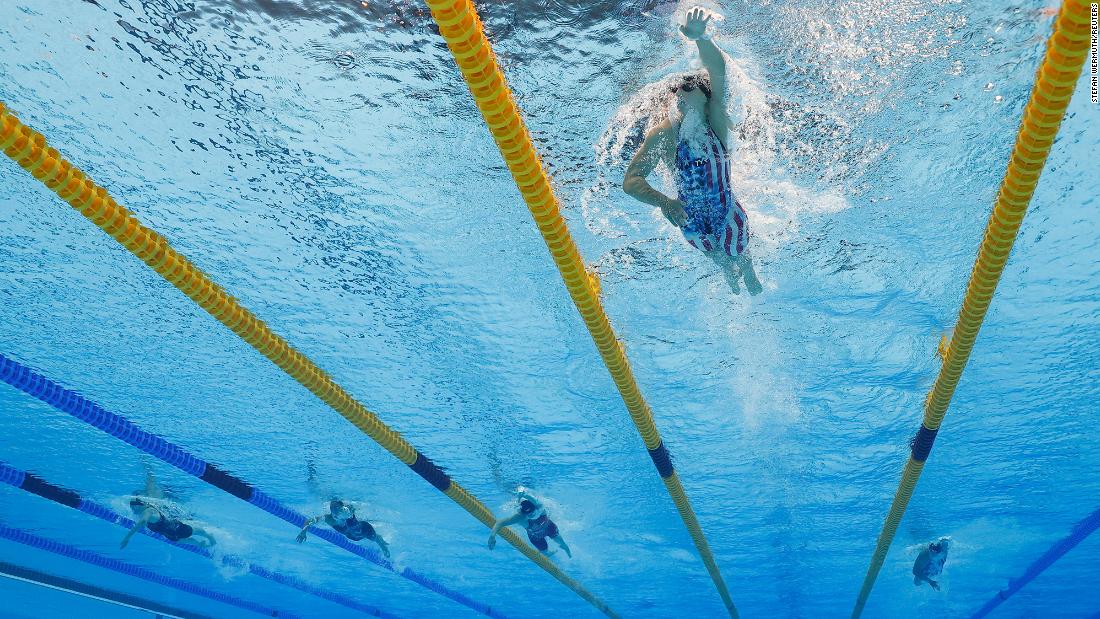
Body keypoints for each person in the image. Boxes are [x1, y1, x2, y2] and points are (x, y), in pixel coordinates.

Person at [622, 6, 762, 295]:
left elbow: (718, 70)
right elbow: (631, 181)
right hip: (690, 222)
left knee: (738, 251)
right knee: (718, 257)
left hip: (729, 215)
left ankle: (746, 267)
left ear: (706, 95)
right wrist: (664, 202)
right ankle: (727, 269)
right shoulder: (664, 134)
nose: (684, 84)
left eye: (694, 83)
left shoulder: (716, 120)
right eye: (681, 84)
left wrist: (700, 38)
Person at [121, 472, 215, 549]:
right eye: (131, 506)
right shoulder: (145, 511)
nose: (132, 509)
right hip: (171, 535)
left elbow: (143, 521)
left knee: (198, 531)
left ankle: (209, 536)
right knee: (187, 539)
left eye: (134, 506)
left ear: (141, 505)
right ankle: (201, 543)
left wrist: (127, 538)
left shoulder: (148, 511)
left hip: (178, 529)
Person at [487, 488, 571, 557]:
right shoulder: (520, 517)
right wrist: (492, 536)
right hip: (535, 537)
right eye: (528, 514)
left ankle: (566, 548)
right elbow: (500, 523)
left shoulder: (539, 507)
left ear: (535, 508)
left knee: (562, 543)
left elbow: (533, 500)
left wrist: (525, 494)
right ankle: (549, 553)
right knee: (545, 552)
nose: (530, 515)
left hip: (549, 527)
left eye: (532, 513)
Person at [297, 499, 390, 558]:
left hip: (364, 529)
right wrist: (303, 531)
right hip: (351, 535)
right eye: (332, 509)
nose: (334, 512)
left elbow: (351, 509)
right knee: (352, 530)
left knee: (373, 538)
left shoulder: (346, 511)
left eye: (337, 509)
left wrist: (351, 510)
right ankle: (379, 539)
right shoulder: (328, 518)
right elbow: (310, 521)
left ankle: (381, 543)